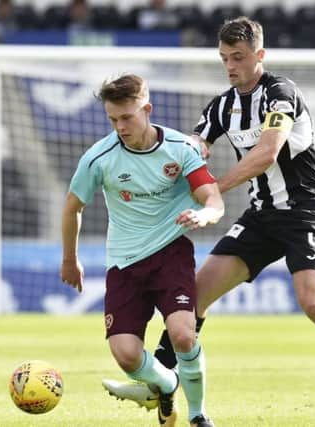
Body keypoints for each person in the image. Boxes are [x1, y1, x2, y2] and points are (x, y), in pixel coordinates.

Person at [104, 17, 315, 424]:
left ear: (259, 56)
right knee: (196, 295)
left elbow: (268, 151)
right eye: (225, 58)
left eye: (239, 57)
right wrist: (169, 159)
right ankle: (159, 381)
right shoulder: (221, 106)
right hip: (262, 217)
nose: (231, 66)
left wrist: (217, 188)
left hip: (305, 212)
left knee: (314, 303)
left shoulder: (281, 94)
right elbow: (194, 147)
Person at [61, 74, 223, 427]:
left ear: (146, 109)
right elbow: (72, 207)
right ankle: (168, 384)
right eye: (113, 120)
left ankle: (198, 415)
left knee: (183, 334)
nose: (120, 127)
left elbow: (212, 196)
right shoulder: (99, 158)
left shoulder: (181, 149)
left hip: (171, 253)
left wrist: (206, 213)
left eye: (127, 117)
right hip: (124, 263)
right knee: (126, 356)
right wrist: (70, 259)